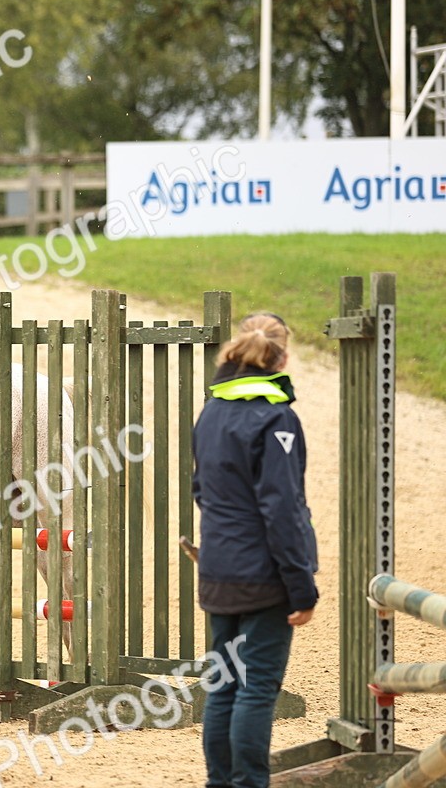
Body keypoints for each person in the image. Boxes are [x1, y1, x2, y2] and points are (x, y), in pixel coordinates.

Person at [192, 312, 318, 788]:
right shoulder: (278, 418)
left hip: (218, 569)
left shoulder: (212, 411)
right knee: (257, 689)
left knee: (222, 686)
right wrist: (301, 587)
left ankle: (219, 783)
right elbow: (282, 511)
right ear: (281, 358)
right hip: (264, 576)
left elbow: (201, 489)